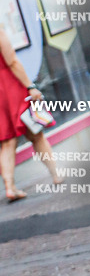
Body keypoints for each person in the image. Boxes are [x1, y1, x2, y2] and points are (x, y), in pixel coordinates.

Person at [0, 26, 62, 202]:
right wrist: (30, 86)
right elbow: (12, 61)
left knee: (7, 141)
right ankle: (56, 174)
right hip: (10, 87)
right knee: (36, 134)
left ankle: (10, 187)